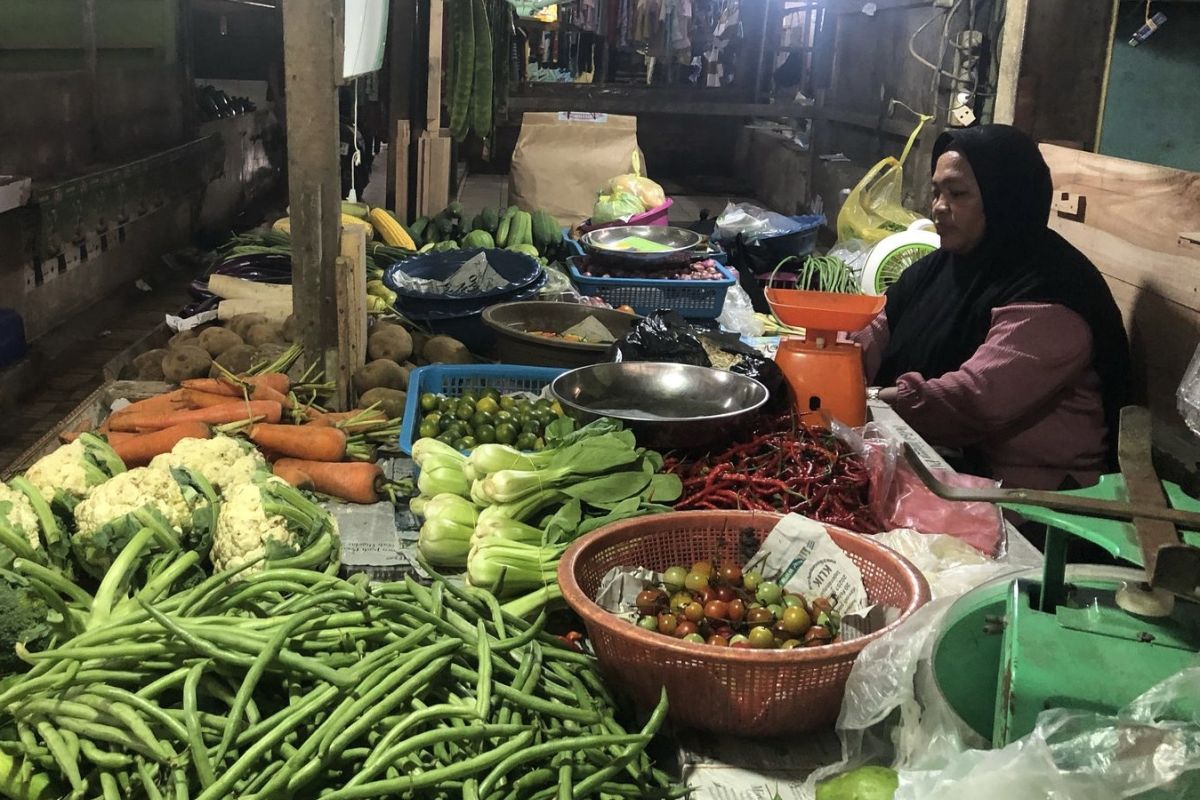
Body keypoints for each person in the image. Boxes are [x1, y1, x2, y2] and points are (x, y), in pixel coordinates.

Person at [852, 124, 1132, 490]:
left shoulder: (1052, 291)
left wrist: (865, 398)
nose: (938, 207)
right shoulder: (939, 269)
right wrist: (836, 363)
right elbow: (875, 333)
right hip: (946, 463)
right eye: (936, 191)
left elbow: (971, 402)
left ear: (1004, 197)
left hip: (1032, 501)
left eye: (957, 193)